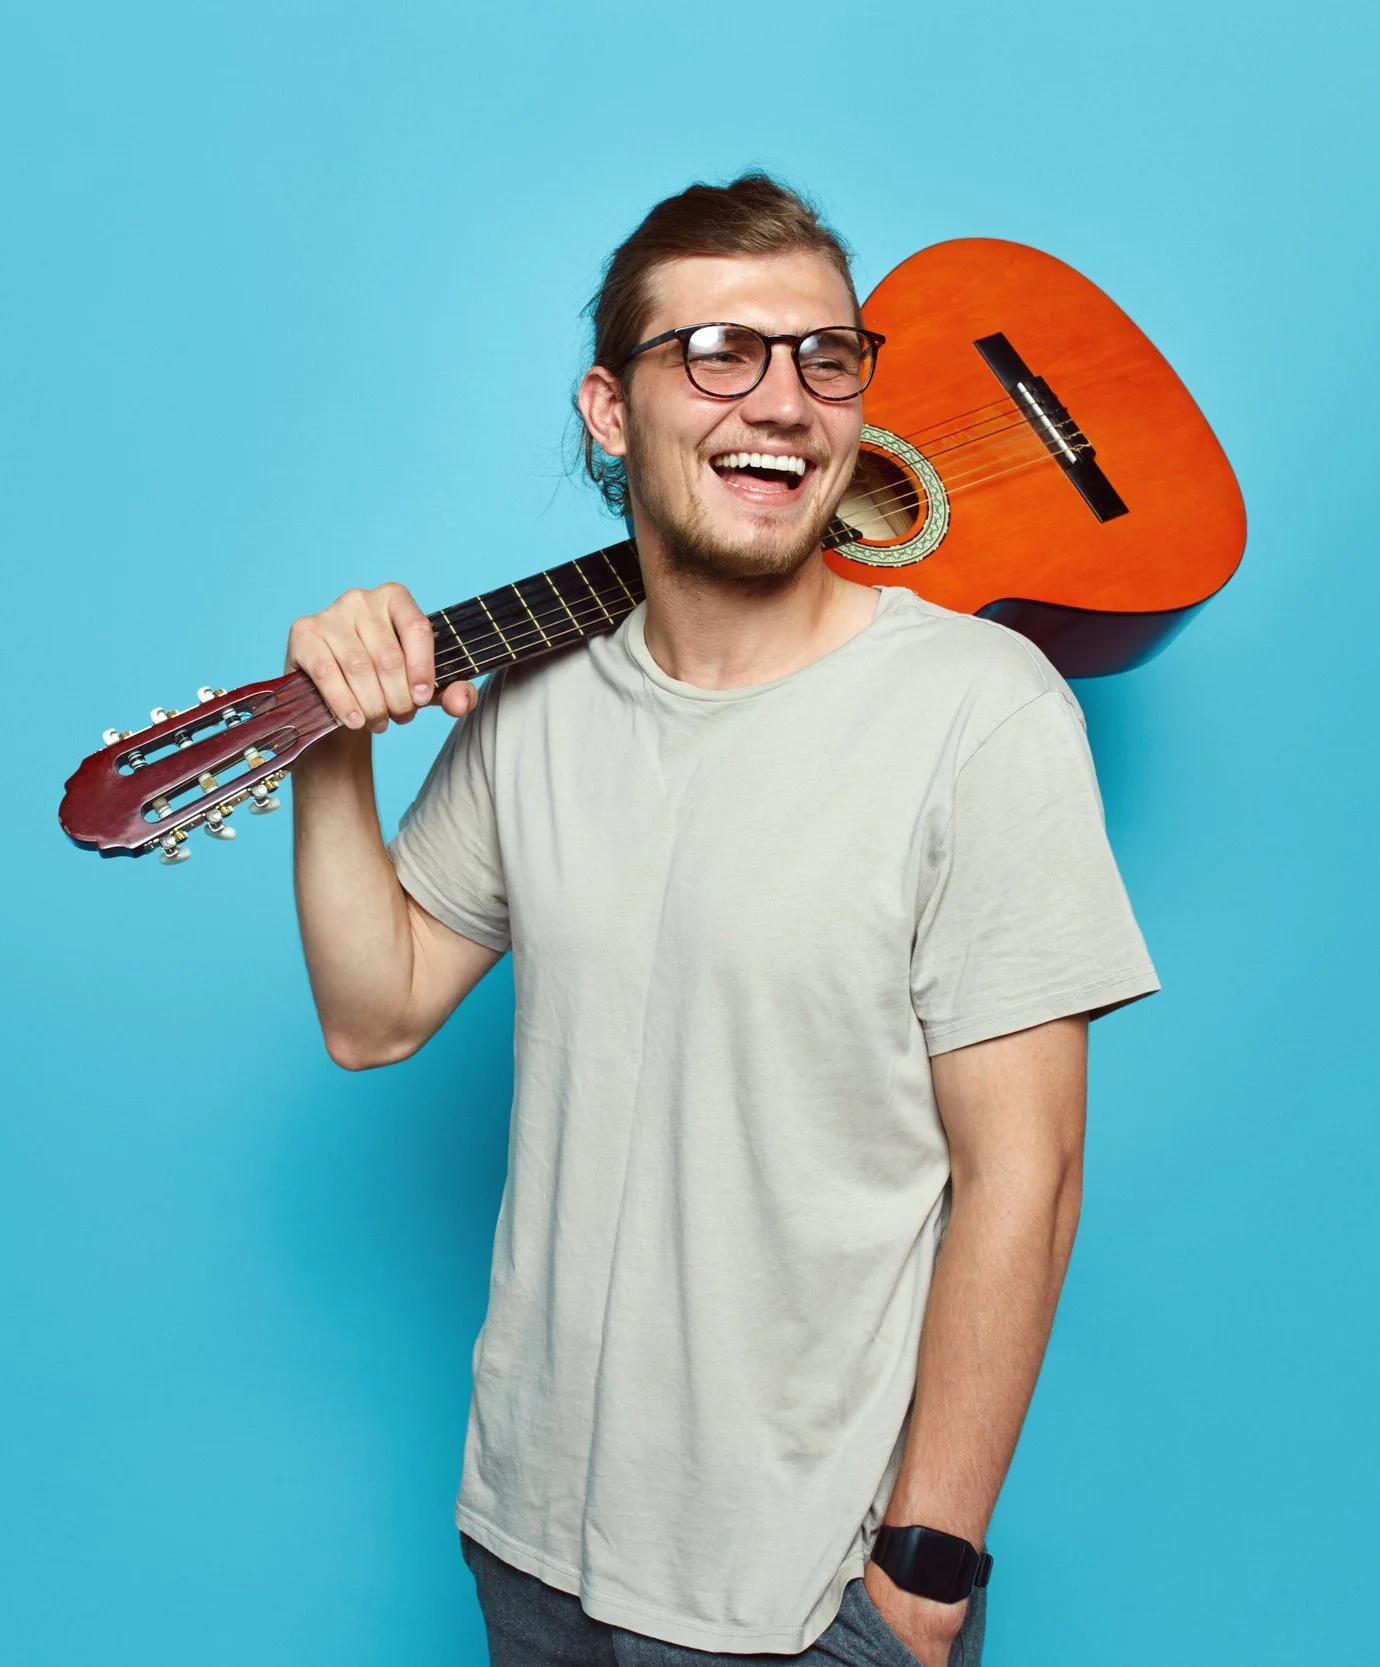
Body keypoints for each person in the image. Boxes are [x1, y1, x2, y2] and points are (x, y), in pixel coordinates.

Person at [286, 173, 1159, 1667]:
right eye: (716, 353)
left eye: (826, 355)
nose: (784, 399)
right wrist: (330, 740)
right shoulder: (540, 703)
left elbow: (1029, 1173)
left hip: (799, 1589)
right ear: (608, 411)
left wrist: (922, 1576)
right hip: (526, 1537)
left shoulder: (980, 713)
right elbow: (375, 1014)